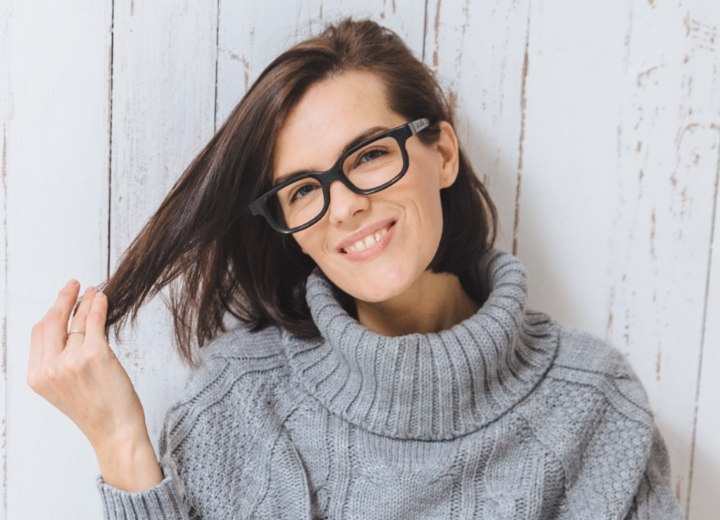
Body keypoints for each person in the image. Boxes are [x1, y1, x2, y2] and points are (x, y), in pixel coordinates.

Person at [27, 17, 683, 520]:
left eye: (369, 155)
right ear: (293, 231)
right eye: (304, 190)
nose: (344, 207)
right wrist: (120, 444)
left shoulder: (594, 407)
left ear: (443, 154)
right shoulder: (237, 406)